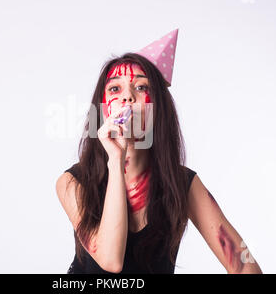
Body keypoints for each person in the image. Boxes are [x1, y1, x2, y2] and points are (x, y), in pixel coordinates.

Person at [56, 29, 262, 274]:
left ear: (159, 109)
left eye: (141, 87)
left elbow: (244, 265)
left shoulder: (182, 183)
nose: (127, 97)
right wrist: (115, 160)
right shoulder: (72, 183)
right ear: (101, 110)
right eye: (114, 89)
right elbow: (111, 261)